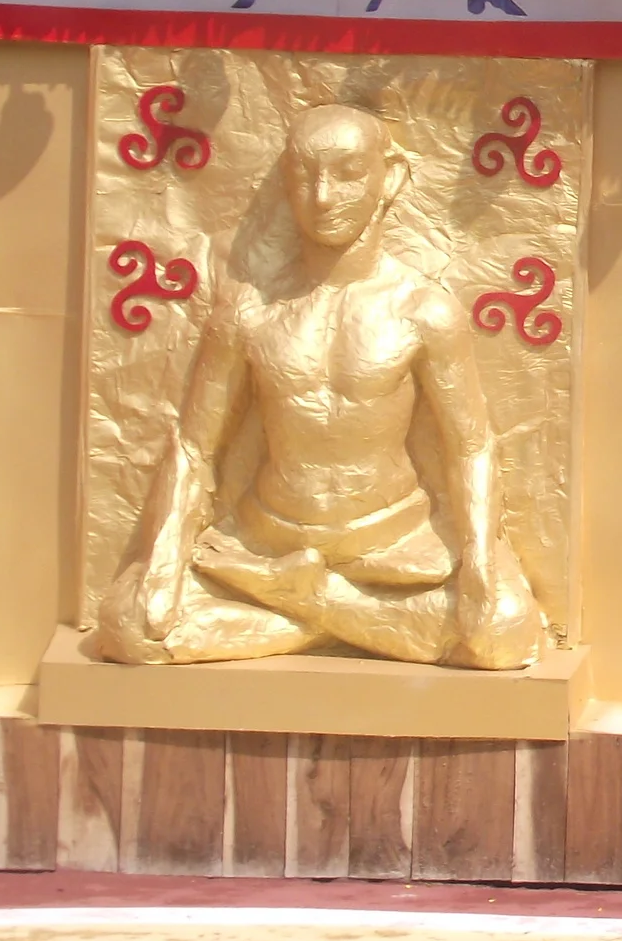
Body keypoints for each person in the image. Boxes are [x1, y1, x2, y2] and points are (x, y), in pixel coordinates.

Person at [94, 104, 542, 668]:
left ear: (392, 178)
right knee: (130, 625)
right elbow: (194, 446)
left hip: (394, 544)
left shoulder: (425, 312)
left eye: (349, 173)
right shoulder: (247, 312)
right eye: (305, 175)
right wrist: (163, 564)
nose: (324, 197)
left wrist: (478, 561)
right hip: (267, 538)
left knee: (503, 631)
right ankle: (346, 617)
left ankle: (307, 605)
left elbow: (472, 446)